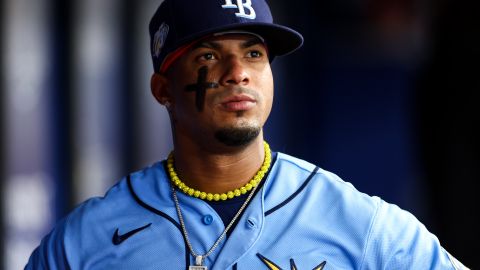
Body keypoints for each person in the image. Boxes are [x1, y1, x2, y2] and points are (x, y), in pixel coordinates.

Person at [26, 0, 468, 269]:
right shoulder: (84, 241)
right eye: (208, 56)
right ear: (163, 89)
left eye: (254, 54)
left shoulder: (360, 223)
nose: (238, 73)